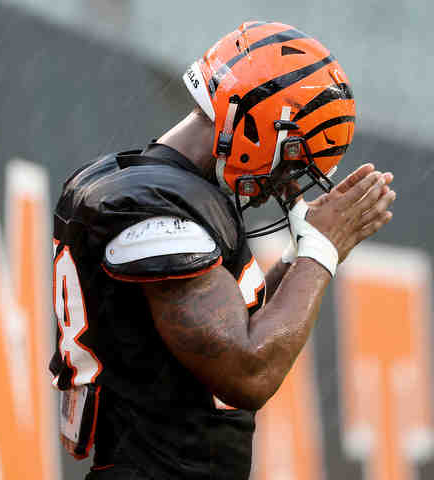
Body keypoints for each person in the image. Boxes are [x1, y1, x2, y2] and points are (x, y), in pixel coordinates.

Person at [49, 21, 396, 479]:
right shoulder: (153, 204)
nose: (285, 185)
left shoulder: (154, 187)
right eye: (292, 161)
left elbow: (234, 316)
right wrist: (323, 253)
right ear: (260, 130)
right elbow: (247, 372)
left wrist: (303, 254)